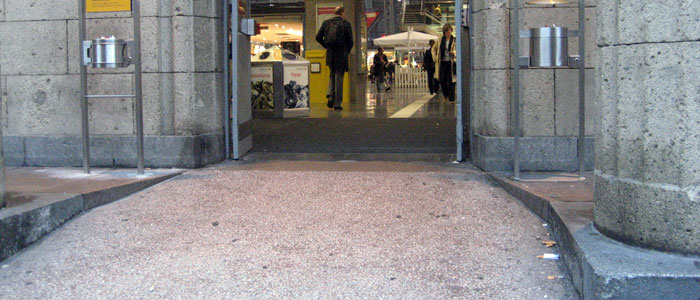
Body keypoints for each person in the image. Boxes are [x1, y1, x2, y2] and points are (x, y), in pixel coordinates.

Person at [315, 6, 354, 110]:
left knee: (332, 76)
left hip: (330, 54)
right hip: (341, 55)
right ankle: (337, 104)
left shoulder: (326, 23)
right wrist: (346, 51)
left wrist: (326, 46)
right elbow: (351, 42)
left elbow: (318, 37)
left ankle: (330, 96)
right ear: (342, 13)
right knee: (339, 78)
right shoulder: (346, 24)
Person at [431, 23, 456, 102]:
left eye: (450, 31)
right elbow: (433, 49)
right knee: (442, 80)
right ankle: (445, 95)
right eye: (447, 32)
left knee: (452, 81)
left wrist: (454, 52)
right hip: (442, 63)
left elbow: (458, 49)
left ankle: (451, 99)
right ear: (444, 32)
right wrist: (435, 58)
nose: (448, 33)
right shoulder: (440, 40)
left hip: (451, 63)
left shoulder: (454, 40)